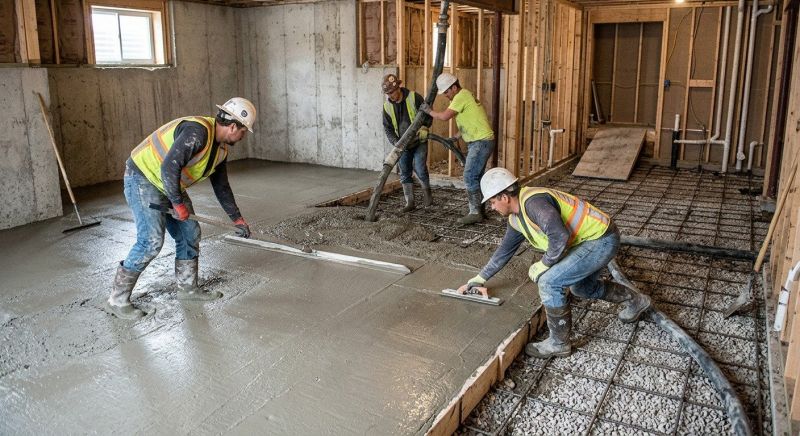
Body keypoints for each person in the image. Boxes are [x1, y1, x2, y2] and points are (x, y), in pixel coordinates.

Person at [457, 168, 651, 358]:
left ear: (504, 198)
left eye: (492, 202)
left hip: (601, 239)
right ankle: (636, 301)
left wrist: (545, 264)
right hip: (588, 241)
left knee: (549, 282)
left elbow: (559, 236)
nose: (492, 207)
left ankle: (559, 344)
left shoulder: (534, 203)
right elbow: (504, 251)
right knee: (582, 289)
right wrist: (479, 278)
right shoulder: (517, 218)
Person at [107, 97, 257, 320]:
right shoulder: (197, 133)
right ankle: (117, 300)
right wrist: (177, 203)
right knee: (151, 241)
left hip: (167, 183)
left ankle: (187, 289)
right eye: (244, 131)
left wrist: (237, 219)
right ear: (233, 126)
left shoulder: (220, 150)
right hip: (143, 178)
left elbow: (222, 186)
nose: (243, 136)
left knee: (190, 232)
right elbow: (169, 166)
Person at [420, 72, 494, 224]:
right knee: (476, 177)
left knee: (469, 176)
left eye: (446, 91)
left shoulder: (461, 96)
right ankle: (480, 210)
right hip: (482, 141)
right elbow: (472, 121)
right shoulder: (466, 95)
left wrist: (428, 111)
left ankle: (475, 212)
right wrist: (456, 136)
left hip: (480, 142)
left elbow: (444, 117)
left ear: (454, 87)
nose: (445, 95)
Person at [381, 73, 433, 212]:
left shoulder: (414, 97)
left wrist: (424, 127)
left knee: (420, 168)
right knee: (404, 172)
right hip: (402, 145)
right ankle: (410, 202)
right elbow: (388, 128)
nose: (390, 95)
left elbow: (427, 115)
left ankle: (428, 197)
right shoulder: (387, 107)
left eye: (392, 92)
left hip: (418, 141)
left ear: (399, 87)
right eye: (388, 93)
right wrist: (395, 143)